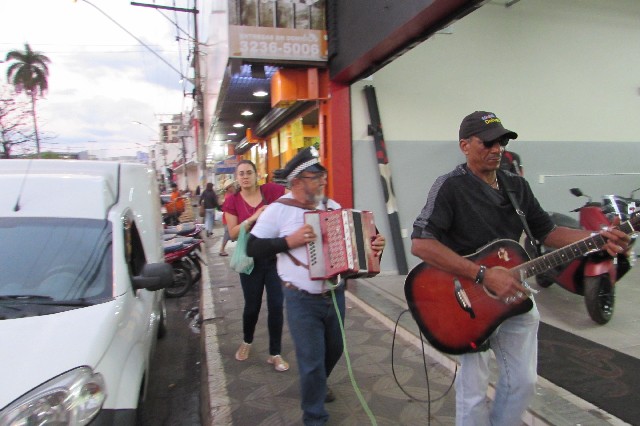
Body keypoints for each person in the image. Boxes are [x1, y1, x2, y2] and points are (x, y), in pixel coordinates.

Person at [410, 110, 630, 426]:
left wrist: (597, 238)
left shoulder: (517, 186)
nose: (497, 148)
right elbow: (421, 244)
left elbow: (548, 231)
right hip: (467, 301)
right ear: (465, 145)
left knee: (523, 382)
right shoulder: (449, 187)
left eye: (501, 140)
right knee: (473, 389)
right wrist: (483, 275)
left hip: (514, 293)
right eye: (487, 142)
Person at [246, 147, 386, 425]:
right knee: (311, 360)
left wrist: (375, 245)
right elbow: (251, 247)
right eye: (316, 177)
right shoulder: (277, 211)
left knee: (334, 349)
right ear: (297, 181)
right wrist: (289, 241)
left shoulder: (332, 208)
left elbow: (356, 243)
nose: (323, 181)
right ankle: (314, 416)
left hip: (335, 294)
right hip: (300, 299)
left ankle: (317, 384)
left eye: (324, 176)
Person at [223, 160, 289, 372]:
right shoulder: (232, 201)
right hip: (249, 260)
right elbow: (232, 233)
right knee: (252, 306)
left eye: (249, 172)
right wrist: (254, 217)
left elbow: (292, 196)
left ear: (256, 174)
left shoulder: (271, 190)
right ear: (237, 176)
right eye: (241, 173)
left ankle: (275, 353)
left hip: (273, 258)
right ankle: (247, 341)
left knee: (276, 305)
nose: (245, 177)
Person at [218, 178, 236, 256]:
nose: (234, 187)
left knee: (230, 234)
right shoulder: (229, 197)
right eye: (232, 186)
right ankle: (222, 249)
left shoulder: (229, 195)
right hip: (228, 218)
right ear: (228, 188)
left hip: (228, 218)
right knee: (228, 234)